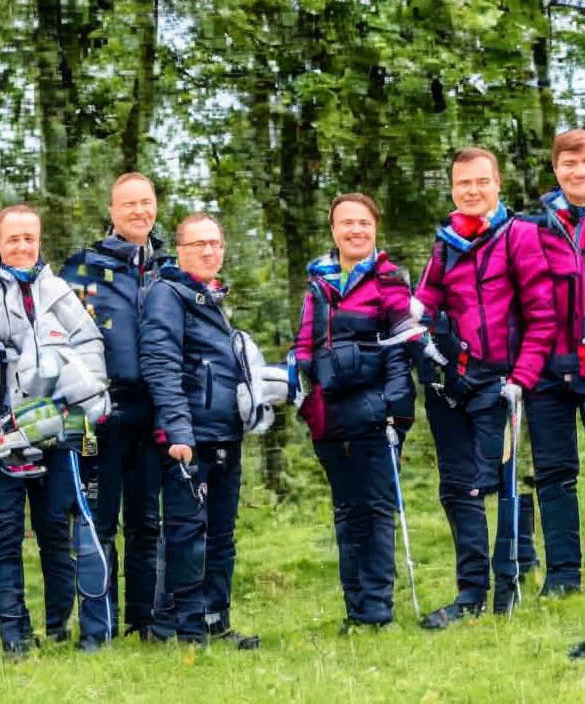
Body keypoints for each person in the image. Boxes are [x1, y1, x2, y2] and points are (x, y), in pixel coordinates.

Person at [0, 204, 110, 656]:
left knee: (55, 532)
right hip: (1, 437)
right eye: (13, 238)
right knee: (3, 533)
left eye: (30, 238)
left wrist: (86, 405)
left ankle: (59, 626)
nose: (22, 246)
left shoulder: (59, 290)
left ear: (40, 241)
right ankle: (13, 634)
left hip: (57, 433)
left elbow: (90, 347)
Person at [415, 148, 555, 627]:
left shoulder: (520, 236)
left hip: (502, 383)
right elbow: (424, 302)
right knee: (457, 487)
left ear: (497, 183)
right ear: (453, 188)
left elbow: (542, 315)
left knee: (498, 481)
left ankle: (511, 576)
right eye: (462, 184)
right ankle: (470, 593)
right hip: (451, 380)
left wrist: (523, 378)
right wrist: (414, 325)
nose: (471, 191)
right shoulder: (445, 242)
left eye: (480, 182)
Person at [139, 213, 265, 647]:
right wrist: (178, 431)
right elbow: (161, 364)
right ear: (180, 251)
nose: (210, 252)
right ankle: (188, 629)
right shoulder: (168, 294)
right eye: (199, 245)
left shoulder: (209, 297)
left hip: (226, 434)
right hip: (190, 438)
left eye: (216, 244)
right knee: (187, 534)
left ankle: (216, 620)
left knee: (222, 534)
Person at [292, 194, 417, 629]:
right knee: (347, 513)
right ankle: (355, 608)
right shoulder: (319, 285)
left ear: (374, 228)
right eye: (346, 223)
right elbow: (304, 344)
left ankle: (378, 610)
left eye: (363, 222)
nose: (355, 230)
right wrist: (301, 389)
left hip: (376, 417)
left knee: (377, 511)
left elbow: (403, 350)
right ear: (333, 231)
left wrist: (394, 412)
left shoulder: (390, 280)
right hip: (330, 417)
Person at [59, 173, 170, 643]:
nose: (139, 212)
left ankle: (146, 623)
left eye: (146, 203)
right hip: (101, 413)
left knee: (147, 521)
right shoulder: (82, 268)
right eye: (129, 204)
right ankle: (97, 628)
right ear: (112, 209)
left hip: (156, 410)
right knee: (98, 522)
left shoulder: (169, 267)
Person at [519, 128, 585, 598]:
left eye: (584, 161)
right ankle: (563, 575)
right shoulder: (531, 229)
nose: (577, 171)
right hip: (546, 370)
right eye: (568, 162)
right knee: (554, 473)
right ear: (555, 169)